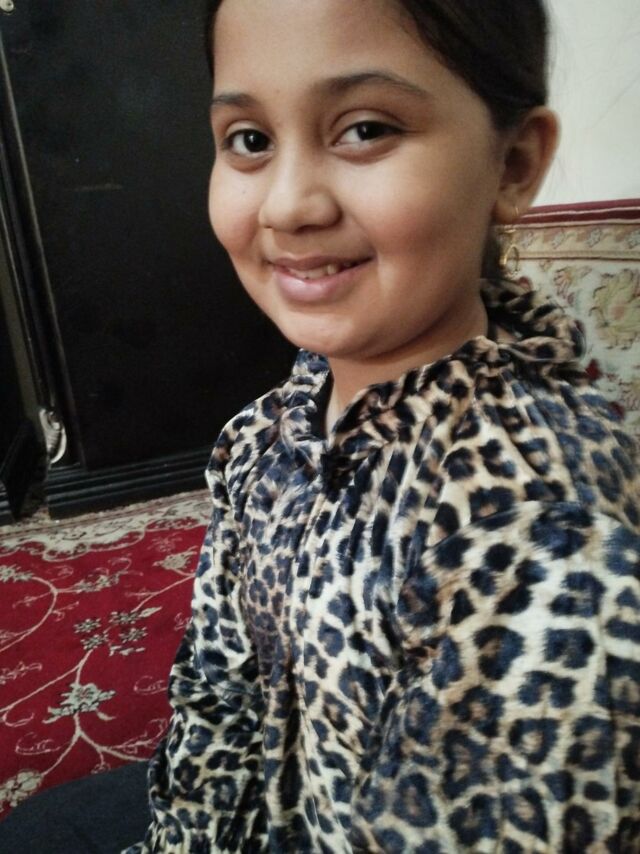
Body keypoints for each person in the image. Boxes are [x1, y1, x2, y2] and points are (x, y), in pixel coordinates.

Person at [2, 0, 638, 851]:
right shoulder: (272, 429)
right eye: (249, 140)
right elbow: (218, 692)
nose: (288, 204)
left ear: (514, 165)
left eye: (365, 129)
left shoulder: (544, 546)